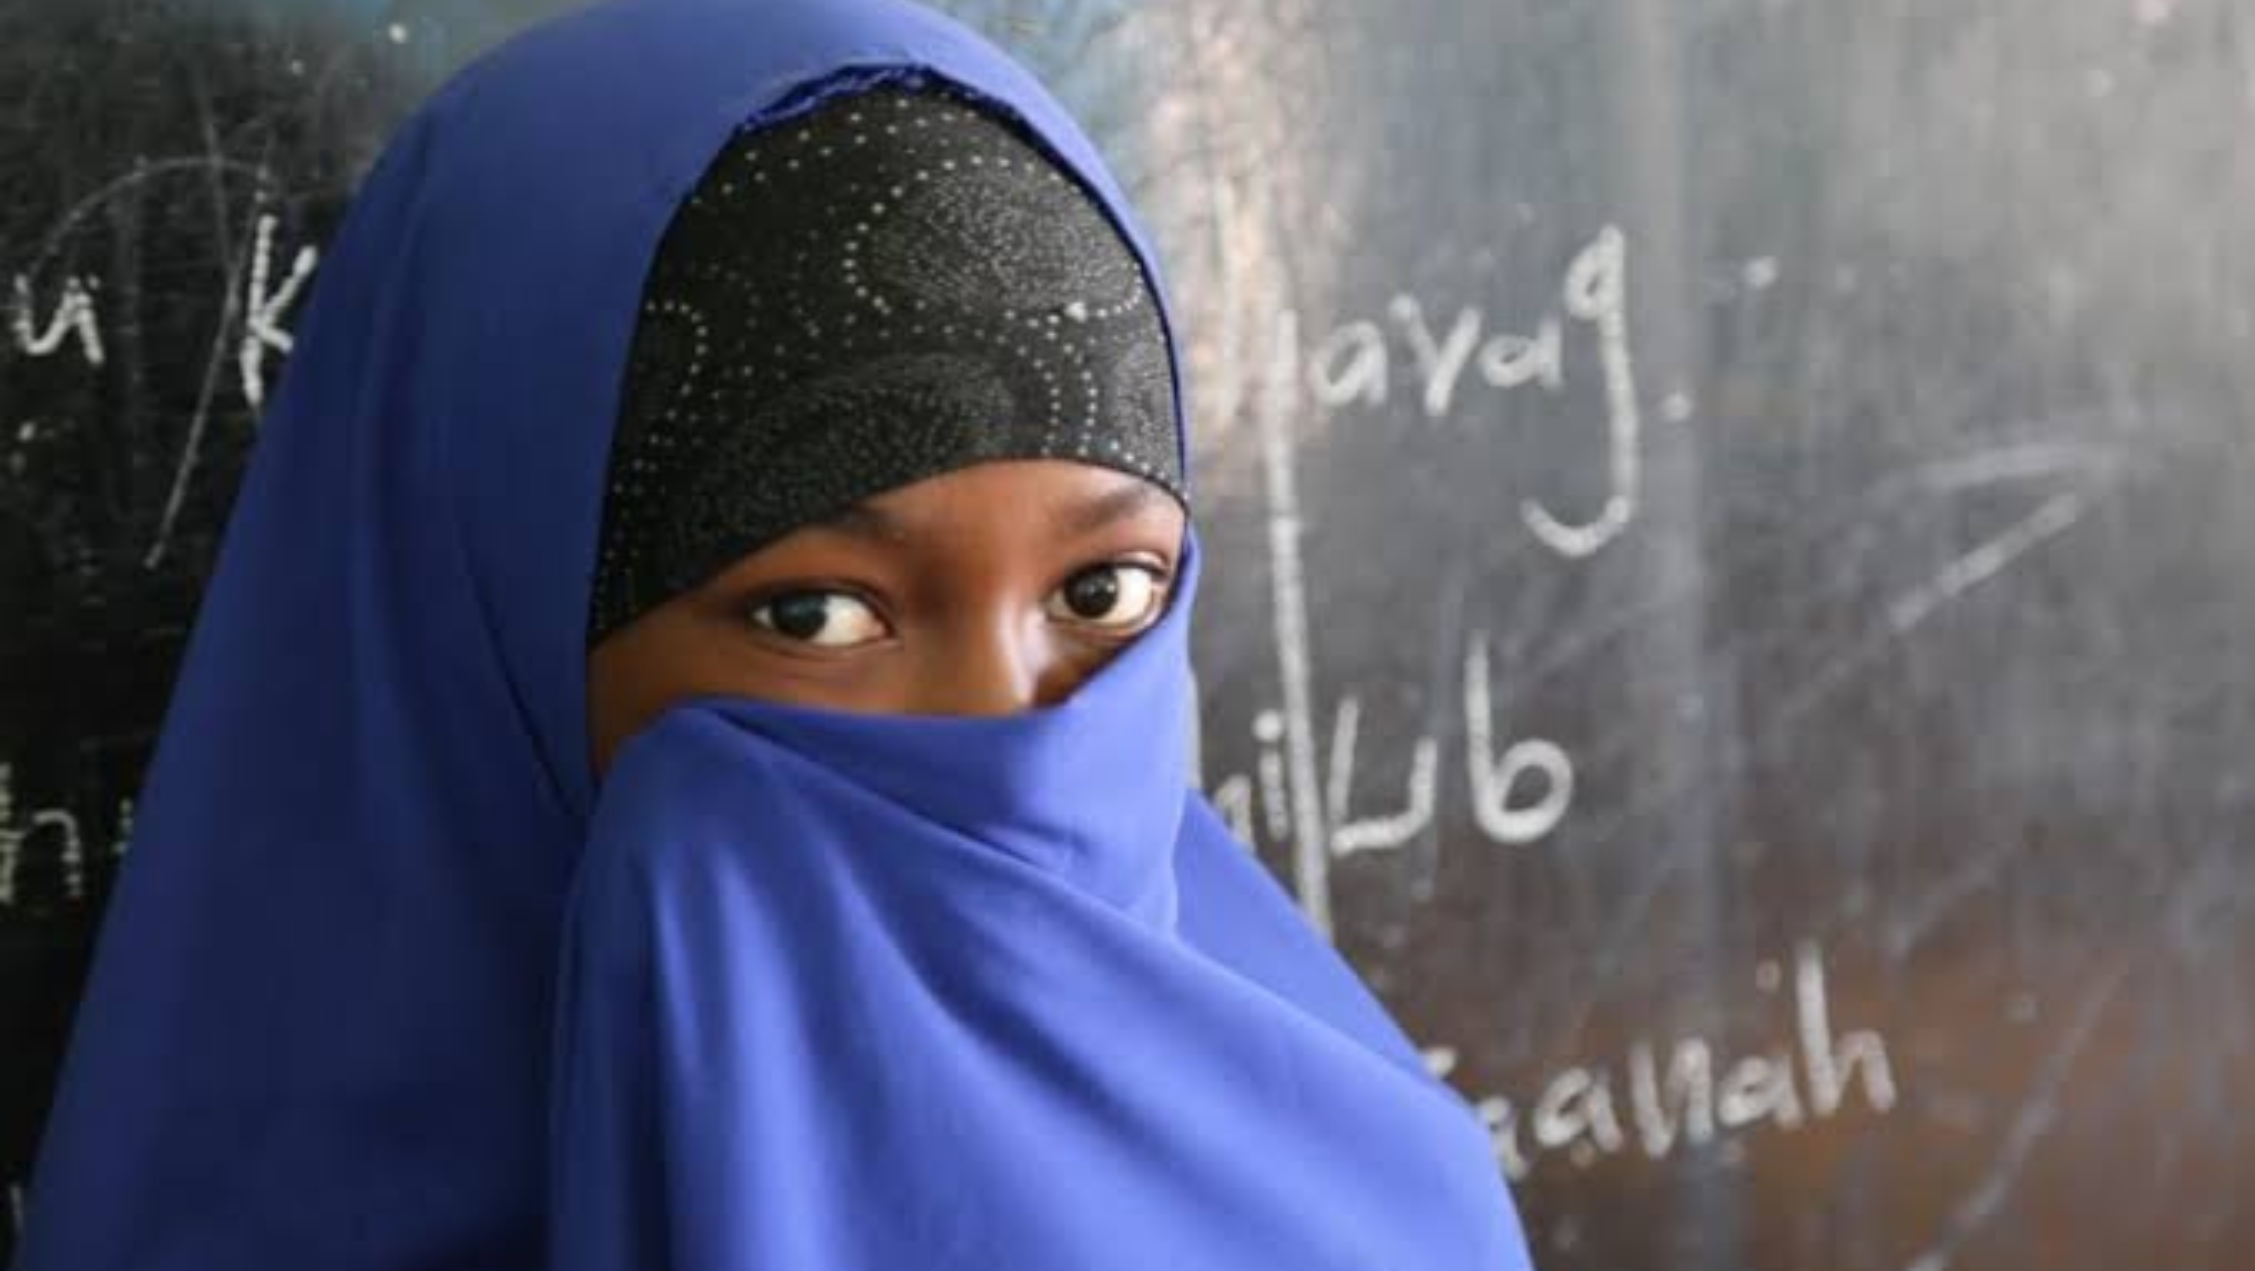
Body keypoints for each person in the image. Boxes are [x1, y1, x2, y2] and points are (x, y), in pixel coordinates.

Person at [13, 1, 1537, 1268]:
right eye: (817, 614)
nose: (1003, 737)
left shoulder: (1371, 1215)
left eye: (1105, 594)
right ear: (495, 640)